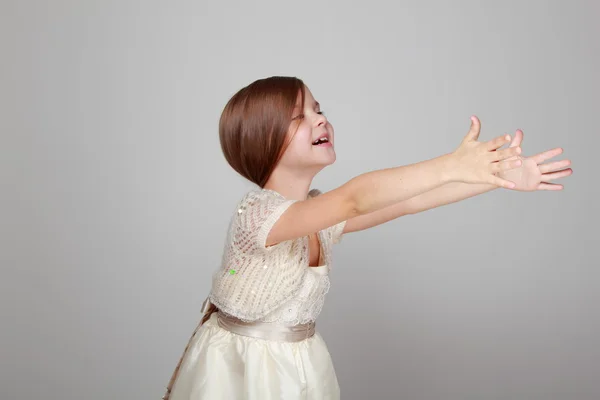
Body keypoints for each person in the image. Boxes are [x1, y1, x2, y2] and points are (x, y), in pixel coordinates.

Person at [162, 76, 572, 399]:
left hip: (298, 363)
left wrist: (494, 177)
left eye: (319, 110)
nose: (320, 119)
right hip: (240, 372)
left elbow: (409, 201)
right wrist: (450, 163)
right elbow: (356, 199)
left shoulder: (318, 215)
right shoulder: (257, 216)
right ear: (262, 139)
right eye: (298, 117)